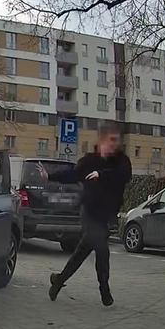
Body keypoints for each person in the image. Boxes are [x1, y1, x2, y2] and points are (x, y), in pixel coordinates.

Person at [38, 122, 131, 306]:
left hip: (106, 216)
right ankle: (105, 291)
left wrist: (101, 174)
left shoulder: (122, 161)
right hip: (89, 212)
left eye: (117, 140)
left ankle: (58, 280)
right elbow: (72, 174)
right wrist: (50, 176)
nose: (115, 144)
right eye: (111, 140)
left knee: (82, 252)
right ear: (103, 140)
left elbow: (123, 175)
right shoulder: (89, 161)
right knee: (102, 250)